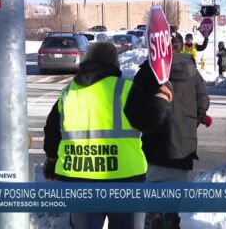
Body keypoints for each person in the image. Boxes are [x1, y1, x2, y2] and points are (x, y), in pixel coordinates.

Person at [42, 42, 171, 229]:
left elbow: (52, 130)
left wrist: (52, 159)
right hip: (125, 180)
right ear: (114, 62)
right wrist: (163, 100)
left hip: (80, 181)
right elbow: (150, 122)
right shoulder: (124, 89)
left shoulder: (69, 92)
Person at [125, 33, 211, 229]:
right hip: (183, 141)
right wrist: (192, 123)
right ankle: (173, 216)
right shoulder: (192, 72)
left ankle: (156, 214)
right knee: (177, 185)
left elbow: (132, 107)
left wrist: (144, 123)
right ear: (180, 48)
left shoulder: (148, 71)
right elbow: (203, 101)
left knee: (154, 182)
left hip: (154, 138)